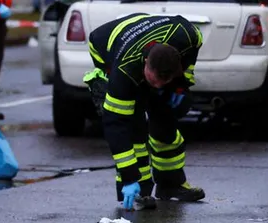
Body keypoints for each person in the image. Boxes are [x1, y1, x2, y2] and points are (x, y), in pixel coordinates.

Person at [85, 14, 206, 210]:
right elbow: (115, 125)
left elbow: (190, 59)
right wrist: (129, 179)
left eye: (164, 81)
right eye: (154, 79)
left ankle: (171, 186)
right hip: (105, 44)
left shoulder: (187, 37)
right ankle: (139, 189)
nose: (158, 85)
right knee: (133, 127)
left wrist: (180, 86)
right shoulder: (125, 72)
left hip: (151, 34)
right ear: (146, 62)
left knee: (165, 123)